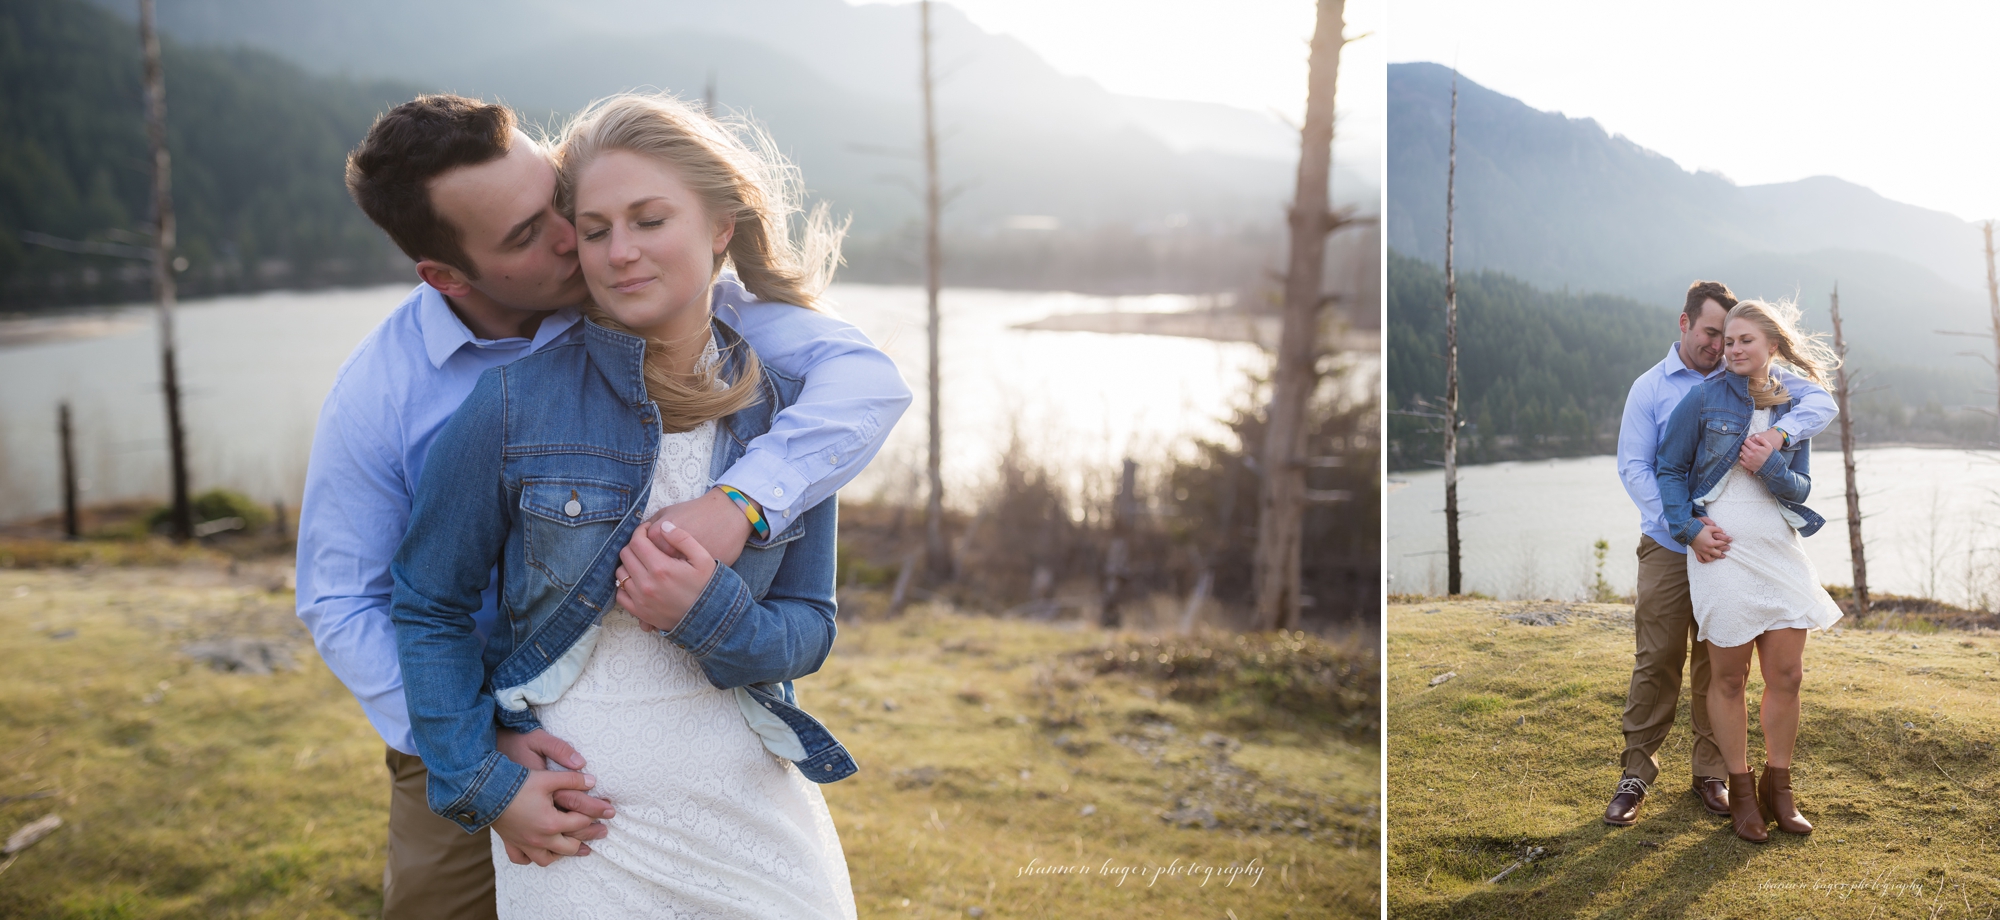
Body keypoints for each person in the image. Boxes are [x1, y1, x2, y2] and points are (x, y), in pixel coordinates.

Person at [297, 94, 909, 919]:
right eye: (536, 235)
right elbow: (356, 600)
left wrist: (739, 509)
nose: (580, 244)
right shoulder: (398, 393)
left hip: (720, 763)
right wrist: (479, 755)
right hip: (454, 713)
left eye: (559, 205)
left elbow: (864, 386)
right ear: (449, 274)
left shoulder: (738, 353)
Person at [1605, 280, 1834, 827]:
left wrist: (1775, 447)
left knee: (1725, 669)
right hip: (1674, 543)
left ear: (1764, 342)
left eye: (1734, 337)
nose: (1722, 347)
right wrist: (1686, 527)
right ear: (1686, 325)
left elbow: (1811, 430)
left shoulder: (1775, 388)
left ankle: (1716, 778)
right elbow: (1644, 468)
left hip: (1759, 549)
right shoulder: (1664, 388)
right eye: (1715, 334)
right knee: (1660, 658)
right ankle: (1637, 775)